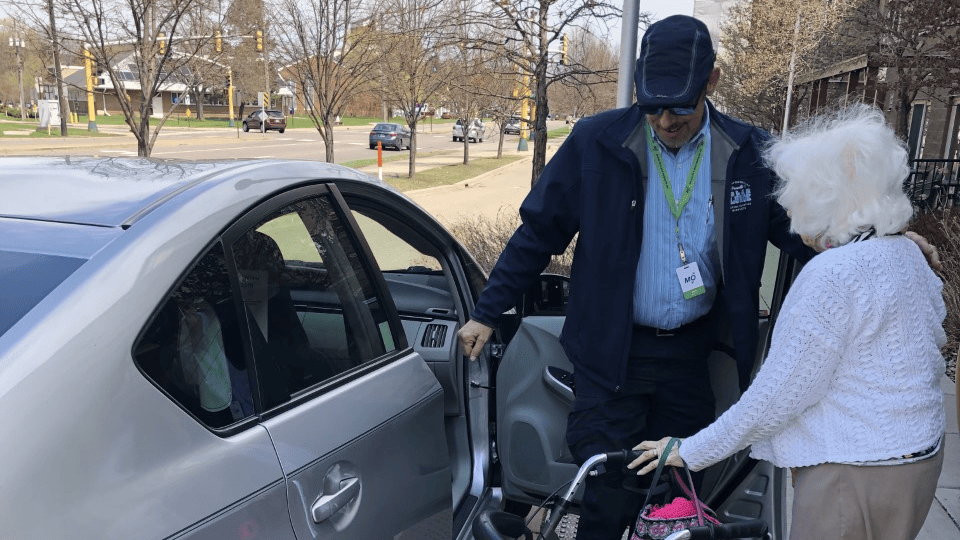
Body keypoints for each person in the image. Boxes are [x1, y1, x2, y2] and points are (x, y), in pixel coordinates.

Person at [457, 15, 941, 540]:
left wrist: (881, 238)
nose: (665, 120)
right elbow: (539, 231)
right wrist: (488, 309)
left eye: (680, 106)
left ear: (711, 82)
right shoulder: (596, 142)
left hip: (689, 354)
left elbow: (803, 226)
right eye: (653, 106)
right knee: (607, 487)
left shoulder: (749, 152)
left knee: (677, 496)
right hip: (609, 355)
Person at [628, 104, 946, 540]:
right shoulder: (907, 255)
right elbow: (935, 335)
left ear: (823, 196)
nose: (787, 205)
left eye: (796, 191)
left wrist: (687, 450)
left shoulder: (832, 275)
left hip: (853, 471)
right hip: (918, 460)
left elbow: (776, 399)